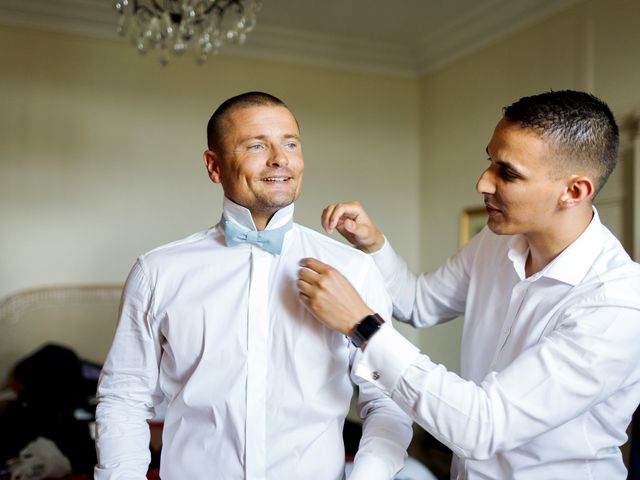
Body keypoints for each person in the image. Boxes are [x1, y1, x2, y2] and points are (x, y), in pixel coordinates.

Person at [297, 90, 640, 479]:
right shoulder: (496, 241)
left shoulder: (617, 305)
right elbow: (419, 303)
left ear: (574, 191)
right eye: (489, 161)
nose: (482, 183)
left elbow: (484, 425)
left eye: (507, 172)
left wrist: (363, 326)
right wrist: (374, 245)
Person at [93, 91, 413, 480]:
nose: (280, 159)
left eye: (290, 143)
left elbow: (388, 399)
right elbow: (124, 398)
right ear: (214, 166)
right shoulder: (158, 272)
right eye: (257, 145)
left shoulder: (355, 270)